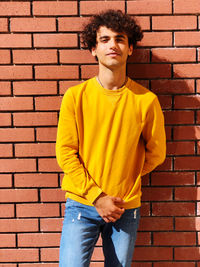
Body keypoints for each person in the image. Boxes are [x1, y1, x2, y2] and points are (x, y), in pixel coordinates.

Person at [56, 9, 166, 267]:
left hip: (125, 207)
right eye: (104, 39)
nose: (112, 45)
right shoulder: (75, 97)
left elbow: (156, 153)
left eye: (119, 39)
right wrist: (97, 197)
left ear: (130, 49)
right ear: (93, 49)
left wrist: (124, 180)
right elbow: (66, 152)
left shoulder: (146, 101)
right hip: (82, 204)